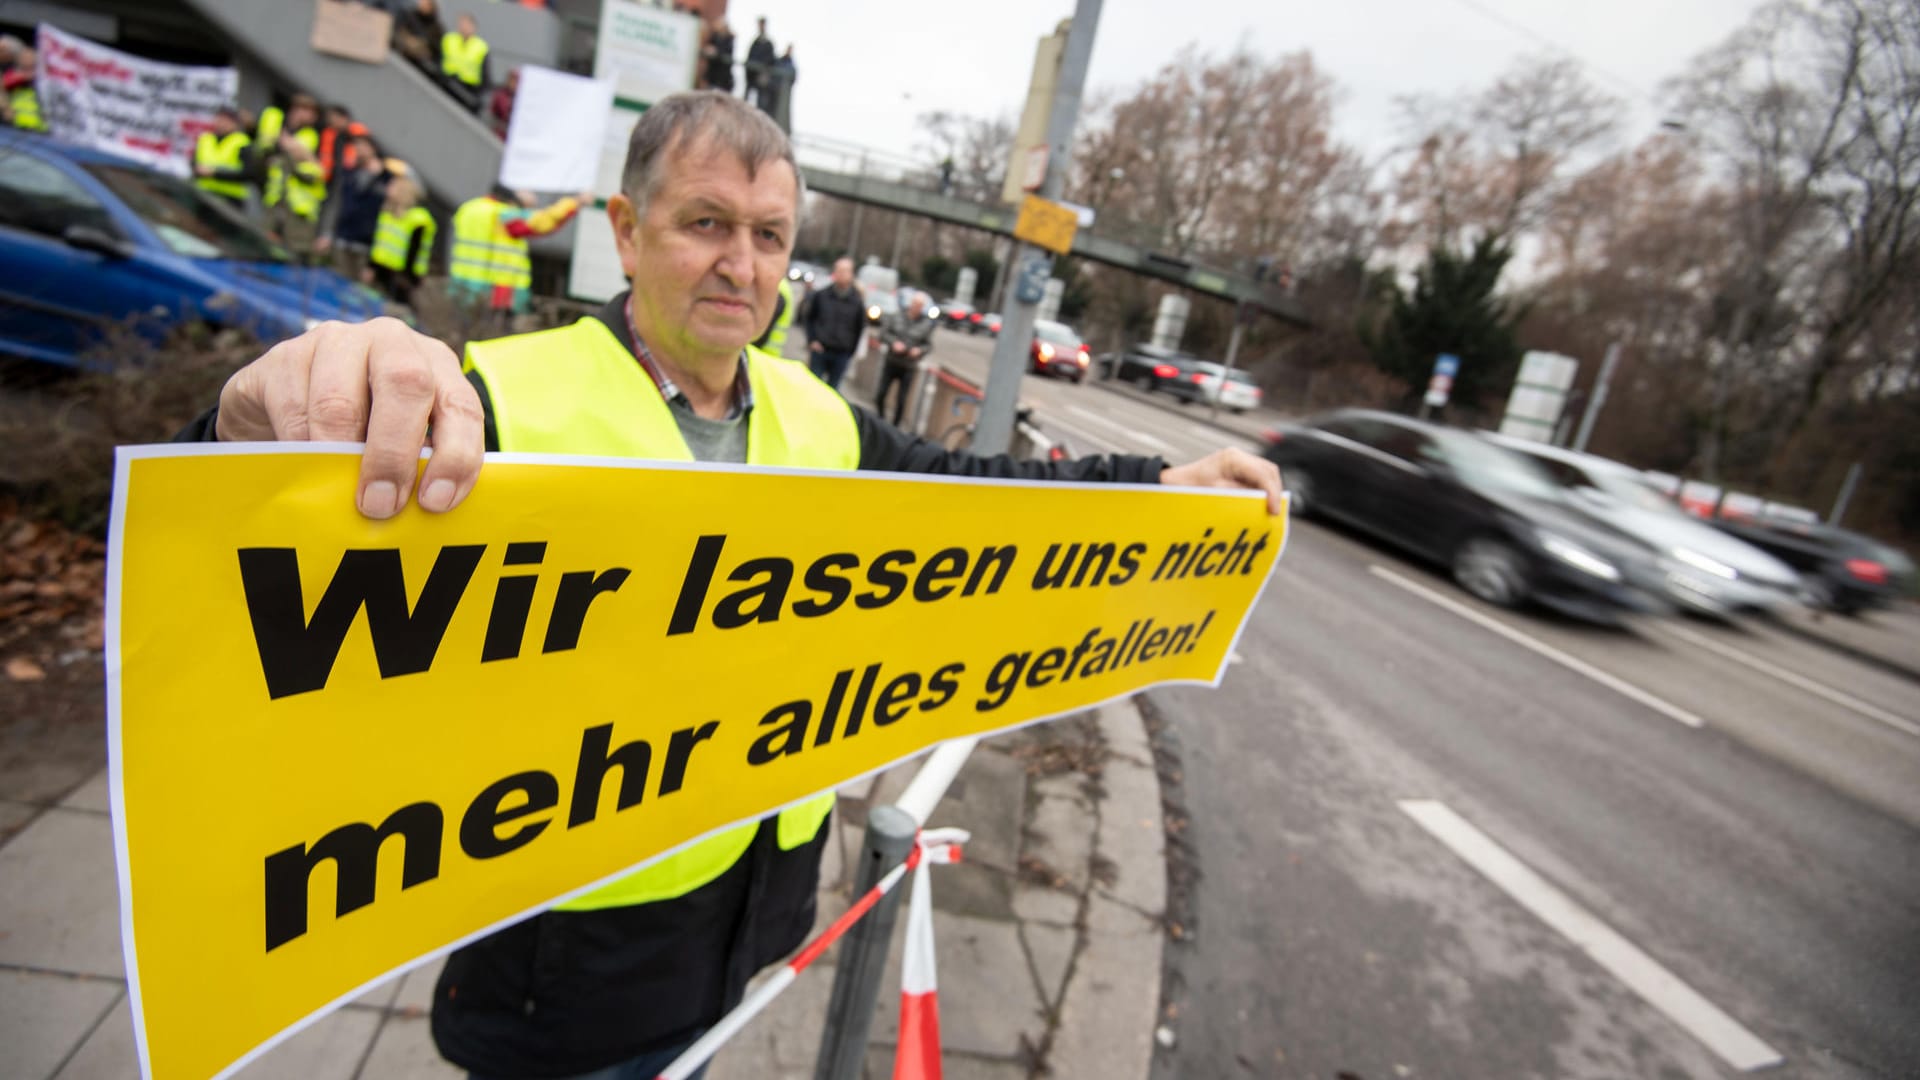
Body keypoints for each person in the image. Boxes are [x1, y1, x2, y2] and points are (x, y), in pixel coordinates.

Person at [182, 91, 1280, 1079]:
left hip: (749, 932)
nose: (741, 266)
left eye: (769, 238)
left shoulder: (820, 414)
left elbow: (987, 498)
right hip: (564, 975)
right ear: (626, 230)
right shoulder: (497, 403)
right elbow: (239, 569)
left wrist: (1158, 484)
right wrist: (245, 424)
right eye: (705, 223)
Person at [448, 185, 588, 322]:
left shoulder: (469, 208)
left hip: (463, 285)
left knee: (459, 329)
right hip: (496, 291)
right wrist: (574, 203)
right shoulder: (504, 213)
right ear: (512, 199)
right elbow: (543, 222)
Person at [260, 94, 326, 258]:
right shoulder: (281, 129)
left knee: (293, 254)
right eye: (300, 109)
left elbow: (312, 168)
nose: (303, 114)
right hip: (276, 199)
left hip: (299, 208)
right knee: (265, 248)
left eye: (308, 111)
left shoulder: (313, 135)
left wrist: (291, 148)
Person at [315, 139, 391, 281]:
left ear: (373, 149)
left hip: (365, 245)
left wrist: (373, 265)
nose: (358, 150)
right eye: (356, 146)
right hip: (343, 238)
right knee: (337, 282)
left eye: (362, 146)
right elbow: (336, 205)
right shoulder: (350, 173)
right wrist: (327, 233)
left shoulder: (386, 179)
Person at [798, 256, 865, 391]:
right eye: (839, 270)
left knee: (832, 392)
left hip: (841, 353)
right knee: (812, 388)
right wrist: (812, 340)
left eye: (845, 271)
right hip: (820, 349)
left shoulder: (857, 302)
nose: (841, 274)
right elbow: (809, 318)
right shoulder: (822, 295)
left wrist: (849, 352)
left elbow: (859, 328)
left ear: (851, 275)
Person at [369, 171, 436, 305]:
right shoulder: (388, 212)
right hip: (382, 272)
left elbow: (414, 252)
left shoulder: (419, 219)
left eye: (392, 185)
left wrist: (406, 278)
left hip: (401, 279)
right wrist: (371, 267)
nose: (388, 188)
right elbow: (379, 242)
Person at [874, 290, 935, 426]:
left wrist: (918, 351)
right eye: (915, 304)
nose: (916, 307)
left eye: (920, 305)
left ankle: (894, 427)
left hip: (908, 366)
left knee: (901, 400)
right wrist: (893, 343)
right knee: (881, 394)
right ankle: (880, 420)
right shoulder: (897, 316)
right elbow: (883, 334)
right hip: (892, 361)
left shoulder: (926, 324)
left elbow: (928, 345)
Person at [194, 106, 253, 210]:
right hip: (203, 193)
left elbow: (248, 173)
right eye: (220, 118)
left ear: (234, 123)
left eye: (227, 120)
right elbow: (194, 162)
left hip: (230, 199)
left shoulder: (241, 142)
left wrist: (214, 173)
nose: (222, 123)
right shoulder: (206, 138)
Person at [441, 12, 490, 112]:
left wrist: (478, 95)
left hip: (469, 89)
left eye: (467, 24)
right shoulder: (449, 39)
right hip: (447, 84)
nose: (464, 27)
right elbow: (439, 59)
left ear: (474, 27)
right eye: (462, 24)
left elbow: (485, 75)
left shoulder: (481, 47)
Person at [392, 0, 446, 76]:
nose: (422, 4)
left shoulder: (437, 30)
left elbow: (436, 54)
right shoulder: (409, 14)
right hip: (398, 55)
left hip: (418, 66)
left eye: (427, 3)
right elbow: (396, 29)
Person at [3, 45, 44, 132]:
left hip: (40, 131)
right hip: (14, 128)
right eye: (24, 57)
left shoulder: (44, 81)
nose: (27, 59)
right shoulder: (11, 77)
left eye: (32, 67)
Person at [753, 276, 795, 355]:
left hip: (761, 353)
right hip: (768, 353)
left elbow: (766, 325)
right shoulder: (783, 286)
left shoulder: (775, 287)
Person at [743, 17, 774, 106]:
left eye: (761, 24)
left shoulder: (768, 43)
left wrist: (763, 70)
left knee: (760, 102)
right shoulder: (755, 42)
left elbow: (770, 60)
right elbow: (749, 57)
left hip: (760, 77)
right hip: (751, 76)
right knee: (746, 100)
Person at [701, 18, 734, 94]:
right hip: (712, 73)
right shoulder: (715, 37)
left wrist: (716, 52)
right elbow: (708, 47)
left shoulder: (729, 40)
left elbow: (726, 52)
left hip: (722, 76)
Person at [766, 45, 795, 133]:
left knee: (777, 113)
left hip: (782, 93)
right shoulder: (779, 61)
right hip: (773, 89)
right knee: (771, 110)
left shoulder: (791, 65)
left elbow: (793, 78)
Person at [487, 67, 518, 139]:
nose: (513, 84)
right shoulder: (500, 95)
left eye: (515, 82)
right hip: (497, 133)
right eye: (511, 80)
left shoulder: (518, 99)